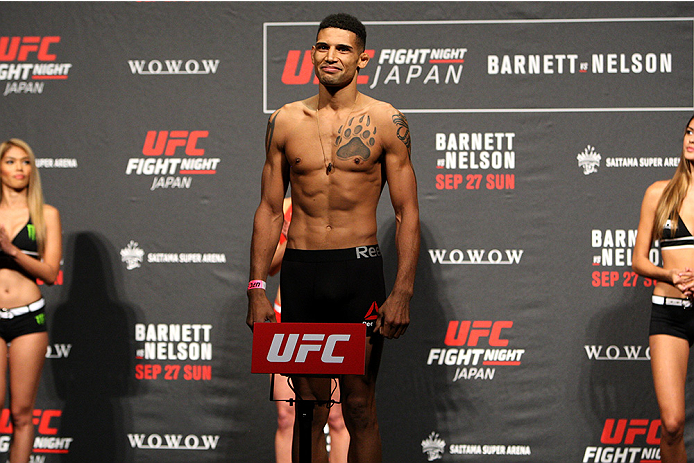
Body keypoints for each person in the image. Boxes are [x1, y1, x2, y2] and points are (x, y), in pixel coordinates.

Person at [246, 12, 420, 463]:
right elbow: (268, 209)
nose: (331, 56)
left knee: (360, 408)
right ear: (311, 54)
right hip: (302, 273)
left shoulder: (387, 121)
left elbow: (406, 212)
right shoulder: (284, 121)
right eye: (323, 47)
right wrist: (257, 288)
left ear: (363, 58)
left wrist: (402, 290)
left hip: (357, 272)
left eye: (343, 48)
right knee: (309, 411)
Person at [633, 115, 694, 463]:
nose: (691, 140)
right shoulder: (659, 193)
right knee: (671, 424)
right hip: (670, 314)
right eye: (689, 132)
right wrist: (669, 276)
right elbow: (639, 260)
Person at [270, 198, 349, 463]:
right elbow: (269, 266)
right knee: (286, 416)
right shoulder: (284, 207)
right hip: (287, 313)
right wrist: (293, 236)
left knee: (336, 416)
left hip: (331, 314)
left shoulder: (340, 199)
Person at [0, 139, 61, 463]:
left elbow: (50, 273)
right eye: (10, 162)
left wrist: (11, 250)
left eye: (25, 162)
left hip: (29, 317)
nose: (19, 169)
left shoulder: (46, 214)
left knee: (22, 413)